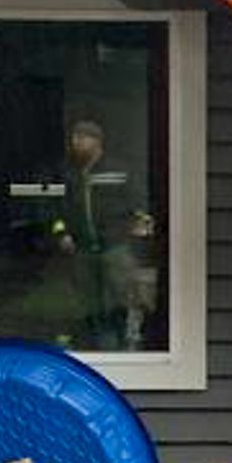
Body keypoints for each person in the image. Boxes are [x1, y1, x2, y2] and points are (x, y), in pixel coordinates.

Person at [45, 118, 158, 348]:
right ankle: (94, 344)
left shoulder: (117, 170)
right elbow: (56, 209)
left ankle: (122, 343)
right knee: (89, 302)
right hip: (82, 248)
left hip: (115, 247)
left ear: (96, 141)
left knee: (120, 297)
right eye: (74, 138)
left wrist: (139, 225)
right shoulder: (68, 173)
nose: (76, 142)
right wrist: (61, 233)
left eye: (82, 137)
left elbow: (137, 202)